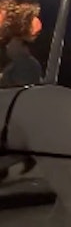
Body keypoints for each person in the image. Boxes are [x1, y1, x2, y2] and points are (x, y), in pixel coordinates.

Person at [0, 37, 43, 178]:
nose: (7, 47)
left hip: (10, 111)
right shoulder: (20, 63)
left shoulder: (26, 64)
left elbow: (22, 87)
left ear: (23, 46)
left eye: (11, 44)